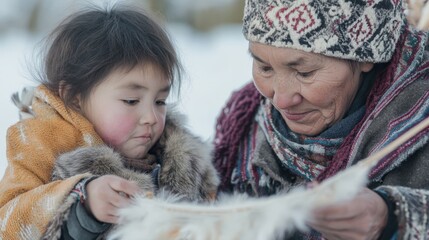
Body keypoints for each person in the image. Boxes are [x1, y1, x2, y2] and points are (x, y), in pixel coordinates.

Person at [0, 4, 219, 240]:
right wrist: (81, 202)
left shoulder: (184, 163)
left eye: (160, 101)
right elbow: (7, 221)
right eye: (131, 100)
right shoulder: (42, 143)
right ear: (74, 99)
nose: (151, 118)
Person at [214, 0, 429, 239]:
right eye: (265, 68)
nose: (281, 99)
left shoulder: (420, 127)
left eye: (304, 73)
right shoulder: (243, 124)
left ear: (367, 57)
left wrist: (393, 218)